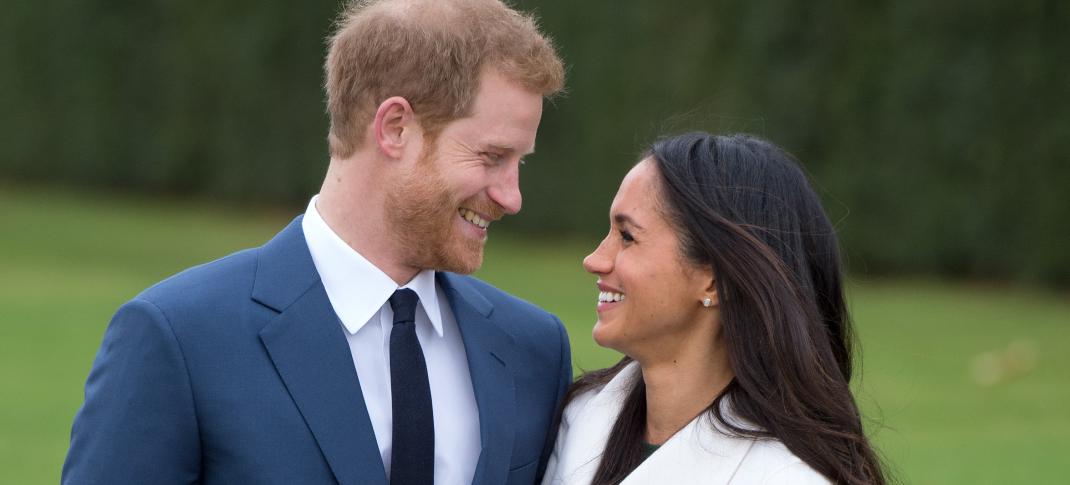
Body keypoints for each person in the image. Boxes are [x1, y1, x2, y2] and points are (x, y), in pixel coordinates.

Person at [62, 1, 570, 484]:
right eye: (491, 157)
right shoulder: (179, 339)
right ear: (396, 128)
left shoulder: (533, 350)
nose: (512, 197)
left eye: (519, 163)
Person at [542, 133, 888, 485]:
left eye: (627, 236)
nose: (594, 260)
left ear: (713, 280)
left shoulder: (787, 478)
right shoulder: (580, 418)